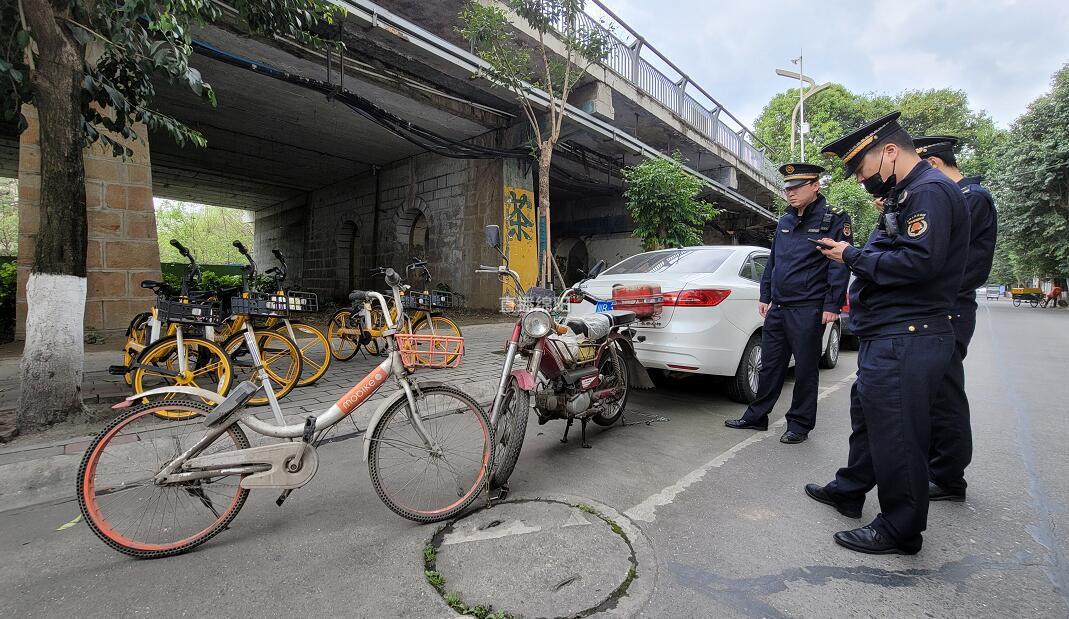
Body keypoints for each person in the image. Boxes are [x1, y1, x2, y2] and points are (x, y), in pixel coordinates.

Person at [805, 112, 970, 555]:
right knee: (873, 421)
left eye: (862, 168)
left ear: (890, 151)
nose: (862, 180)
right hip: (893, 334)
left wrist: (851, 255)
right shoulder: (908, 193)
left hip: (908, 334)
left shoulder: (929, 191)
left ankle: (901, 528)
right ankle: (850, 489)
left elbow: (919, 263)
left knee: (898, 434)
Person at [724, 163, 852, 444]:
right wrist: (765, 295)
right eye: (787, 188)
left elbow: (839, 266)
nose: (790, 193)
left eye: (796, 188)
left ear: (815, 186)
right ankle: (757, 416)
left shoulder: (833, 220)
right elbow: (774, 262)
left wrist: (832, 305)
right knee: (770, 365)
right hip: (779, 307)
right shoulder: (785, 221)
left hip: (809, 307)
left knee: (806, 368)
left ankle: (799, 424)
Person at [913, 136, 998, 501]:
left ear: (932, 164)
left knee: (945, 392)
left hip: (951, 306)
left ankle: (949, 476)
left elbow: (948, 258)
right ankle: (939, 466)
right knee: (935, 391)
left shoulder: (971, 198)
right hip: (942, 305)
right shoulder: (962, 197)